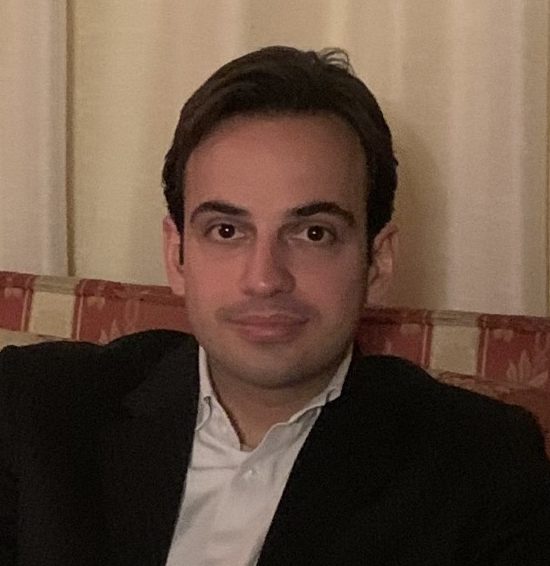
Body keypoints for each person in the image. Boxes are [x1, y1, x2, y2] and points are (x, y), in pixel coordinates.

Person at [1, 46, 549, 566]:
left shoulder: (483, 466)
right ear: (176, 255)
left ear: (377, 262)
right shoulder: (35, 406)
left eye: (313, 233)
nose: (264, 279)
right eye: (226, 230)